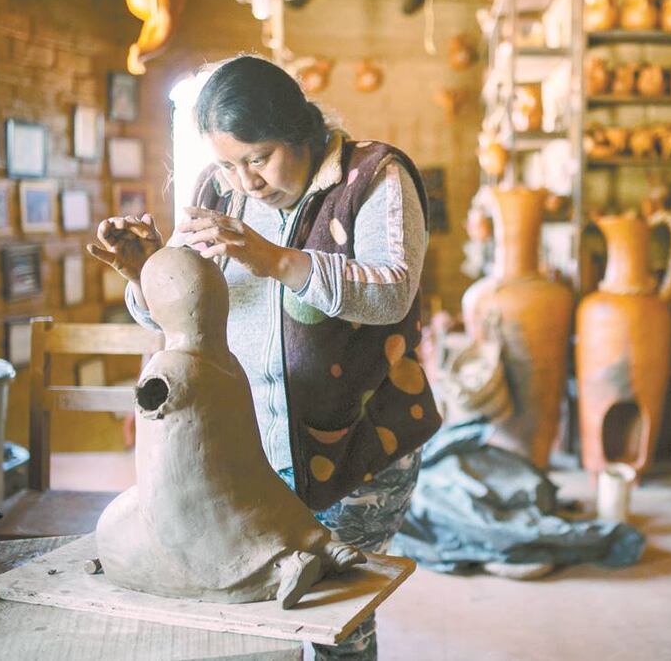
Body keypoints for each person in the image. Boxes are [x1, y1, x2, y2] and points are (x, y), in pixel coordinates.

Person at [88, 55, 440, 660]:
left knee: (334, 618)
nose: (245, 182)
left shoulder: (372, 174)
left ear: (300, 130)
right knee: (252, 615)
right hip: (244, 451)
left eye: (258, 157)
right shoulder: (214, 189)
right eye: (228, 163)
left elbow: (392, 291)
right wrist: (145, 270)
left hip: (356, 445)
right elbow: (173, 312)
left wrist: (275, 258)